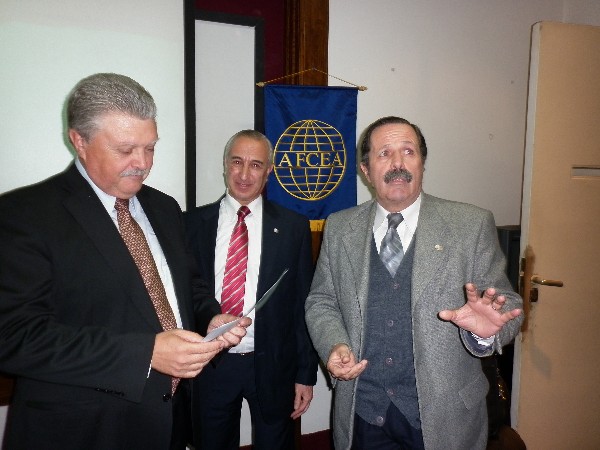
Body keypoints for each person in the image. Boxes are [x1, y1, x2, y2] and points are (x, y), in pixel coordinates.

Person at [0, 73, 249, 450]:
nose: (142, 163)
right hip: (85, 430)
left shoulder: (164, 207)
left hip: (168, 421)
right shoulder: (24, 214)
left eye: (150, 147)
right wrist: (146, 353)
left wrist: (209, 317)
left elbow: (188, 287)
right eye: (125, 149)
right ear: (79, 141)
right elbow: (14, 337)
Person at [305, 116, 523, 450]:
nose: (397, 164)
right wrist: (334, 344)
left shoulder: (470, 224)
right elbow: (322, 301)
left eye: (408, 152)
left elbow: (508, 306)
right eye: (384, 154)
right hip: (363, 412)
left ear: (422, 163)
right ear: (365, 169)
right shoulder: (339, 227)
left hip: (445, 417)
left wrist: (484, 332)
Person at [185, 130, 318, 449]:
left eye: (256, 165)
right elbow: (184, 295)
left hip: (273, 366)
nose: (245, 174)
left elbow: (304, 304)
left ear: (269, 170)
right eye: (237, 162)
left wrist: (305, 374)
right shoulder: (190, 224)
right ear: (225, 165)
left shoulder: (293, 227)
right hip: (211, 364)